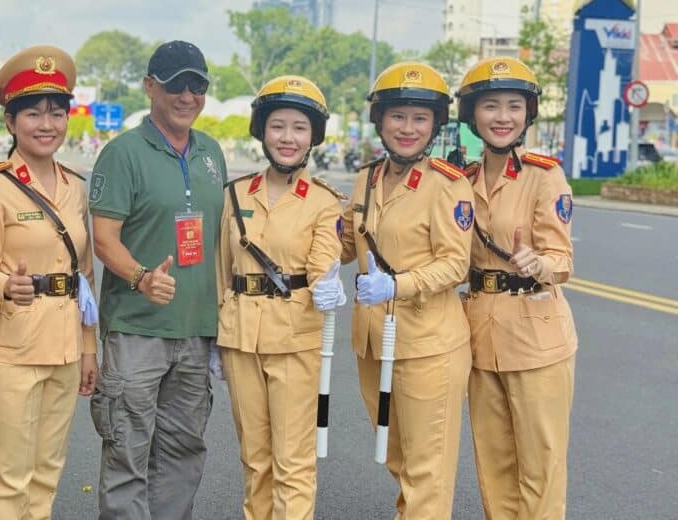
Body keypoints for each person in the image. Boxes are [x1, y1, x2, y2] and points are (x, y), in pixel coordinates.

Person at [89, 40, 227, 520]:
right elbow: (104, 240)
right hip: (137, 331)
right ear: (151, 87)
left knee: (183, 455)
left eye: (198, 86)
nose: (187, 96)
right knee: (128, 450)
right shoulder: (122, 153)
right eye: (175, 85)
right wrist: (142, 277)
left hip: (194, 333)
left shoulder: (211, 153)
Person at [0, 45, 99, 520]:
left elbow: (83, 276)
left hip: (63, 348)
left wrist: (88, 348)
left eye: (57, 113)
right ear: (10, 121)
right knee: (6, 479)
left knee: (46, 473)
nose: (47, 124)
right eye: (34, 113)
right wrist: (4, 285)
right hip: (10, 350)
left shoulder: (74, 186)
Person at [339, 61, 474, 519]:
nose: (408, 127)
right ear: (380, 120)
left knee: (427, 469)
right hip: (374, 340)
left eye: (420, 117)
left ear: (436, 124)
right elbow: (343, 241)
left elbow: (455, 263)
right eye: (398, 116)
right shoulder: (367, 178)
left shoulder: (448, 185)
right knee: (397, 456)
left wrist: (398, 284)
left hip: (428, 344)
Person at [216, 75, 346, 520]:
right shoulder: (234, 195)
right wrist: (218, 336)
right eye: (277, 125)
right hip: (240, 339)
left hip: (294, 337)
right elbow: (222, 270)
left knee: (292, 461)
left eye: (298, 127)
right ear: (261, 130)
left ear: (313, 136)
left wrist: (328, 285)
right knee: (255, 460)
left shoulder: (326, 202)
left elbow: (322, 265)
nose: (287, 137)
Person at [456, 57, 577, 520]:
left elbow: (563, 260)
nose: (502, 116)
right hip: (479, 334)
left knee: (540, 465)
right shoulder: (460, 181)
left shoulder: (545, 176)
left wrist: (538, 261)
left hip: (537, 336)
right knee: (495, 462)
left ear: (528, 114)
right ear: (472, 115)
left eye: (513, 106)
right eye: (490, 105)